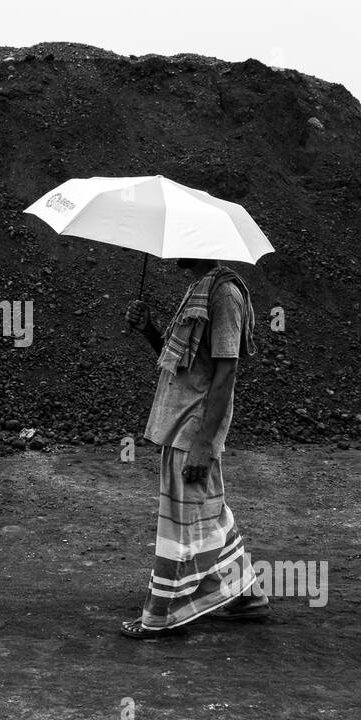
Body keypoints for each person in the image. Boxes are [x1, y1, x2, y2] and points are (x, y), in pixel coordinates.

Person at [119, 257, 268, 638]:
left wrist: (204, 444)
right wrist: (149, 328)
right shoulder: (199, 291)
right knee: (208, 512)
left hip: (194, 427)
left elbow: (227, 370)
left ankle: (164, 612)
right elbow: (183, 365)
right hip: (182, 421)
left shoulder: (225, 296)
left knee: (180, 523)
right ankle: (246, 596)